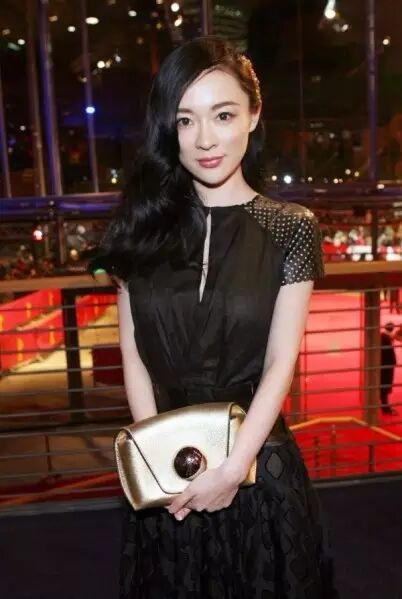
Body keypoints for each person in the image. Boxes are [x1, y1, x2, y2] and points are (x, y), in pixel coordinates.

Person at [91, 37, 338, 598]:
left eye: (223, 115)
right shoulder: (138, 229)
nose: (204, 139)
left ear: (253, 114)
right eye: (185, 120)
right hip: (166, 484)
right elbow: (134, 357)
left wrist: (232, 470)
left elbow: (280, 362)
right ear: (168, 129)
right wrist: (158, 462)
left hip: (257, 471)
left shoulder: (291, 227)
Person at [380, 322, 397, 415]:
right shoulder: (386, 338)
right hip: (386, 367)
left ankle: (385, 406)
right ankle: (385, 408)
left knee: (384, 387)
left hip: (385, 366)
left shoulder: (384, 336)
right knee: (384, 387)